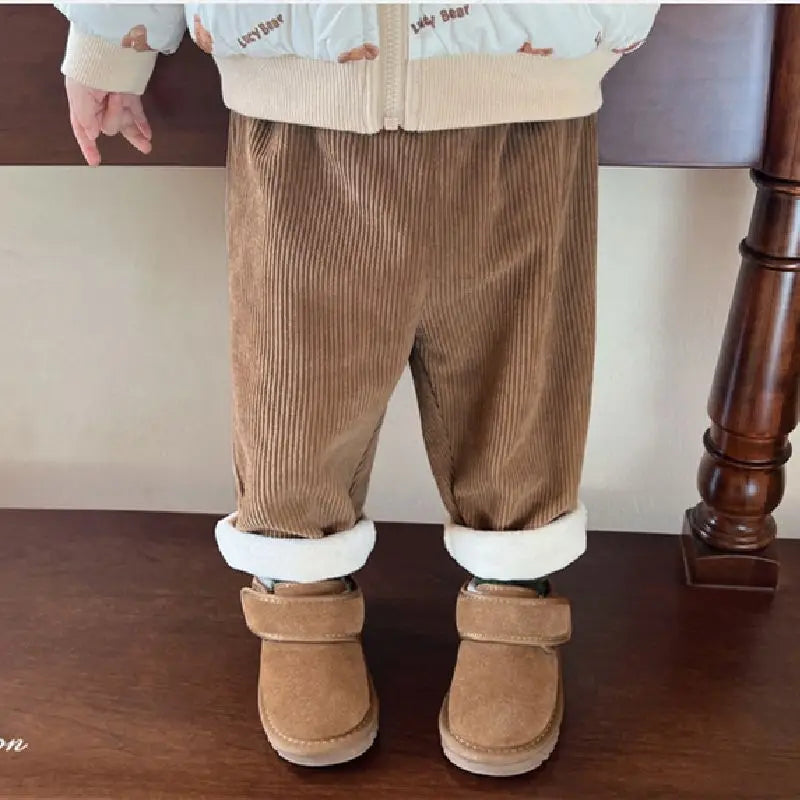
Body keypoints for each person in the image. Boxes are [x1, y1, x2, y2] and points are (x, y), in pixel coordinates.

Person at [57, 2, 659, 777]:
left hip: (530, 92)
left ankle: (514, 581)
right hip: (298, 94)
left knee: (522, 375)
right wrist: (109, 40)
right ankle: (300, 585)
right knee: (296, 388)